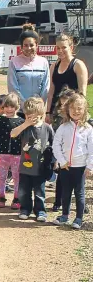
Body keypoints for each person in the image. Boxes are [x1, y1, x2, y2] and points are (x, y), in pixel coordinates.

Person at [52, 93, 93, 229]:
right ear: (67, 110)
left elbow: (92, 149)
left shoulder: (88, 129)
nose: (76, 111)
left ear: (84, 110)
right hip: (65, 167)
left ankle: (79, 218)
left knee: (79, 193)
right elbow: (56, 145)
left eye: (79, 108)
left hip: (80, 167)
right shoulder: (63, 128)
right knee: (66, 192)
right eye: (73, 108)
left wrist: (90, 166)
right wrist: (61, 161)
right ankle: (64, 215)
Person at [11, 97, 54, 222]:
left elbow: (53, 144)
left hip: (40, 168)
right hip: (25, 167)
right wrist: (25, 124)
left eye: (32, 115)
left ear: (40, 114)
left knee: (39, 192)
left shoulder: (47, 128)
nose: (29, 117)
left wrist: (54, 162)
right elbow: (12, 134)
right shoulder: (24, 127)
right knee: (24, 192)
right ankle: (25, 209)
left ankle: (40, 211)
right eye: (27, 115)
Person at [0, 93, 24, 209]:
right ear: (3, 107)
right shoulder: (0, 121)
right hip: (3, 153)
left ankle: (17, 198)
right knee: (2, 176)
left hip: (17, 154)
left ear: (17, 106)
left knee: (16, 177)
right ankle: (1, 197)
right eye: (7, 106)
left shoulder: (21, 121)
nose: (9, 109)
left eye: (12, 106)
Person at [46, 33, 88, 124]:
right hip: (56, 113)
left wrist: (80, 113)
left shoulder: (78, 65)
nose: (60, 50)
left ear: (71, 47)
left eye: (64, 47)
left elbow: (82, 93)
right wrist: (48, 112)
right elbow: (50, 92)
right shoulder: (54, 66)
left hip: (73, 112)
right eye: (58, 48)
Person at [8, 25, 50, 107]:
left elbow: (46, 86)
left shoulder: (43, 62)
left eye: (31, 45)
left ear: (37, 45)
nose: (29, 48)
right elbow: (12, 87)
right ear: (21, 46)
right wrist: (24, 105)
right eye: (25, 45)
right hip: (20, 109)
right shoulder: (14, 62)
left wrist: (39, 104)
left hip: (37, 109)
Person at [51, 87, 76, 212]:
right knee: (61, 179)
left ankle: (80, 204)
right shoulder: (58, 117)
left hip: (77, 154)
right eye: (61, 103)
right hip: (62, 153)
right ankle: (57, 202)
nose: (63, 106)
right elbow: (56, 139)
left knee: (77, 182)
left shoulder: (81, 119)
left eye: (66, 103)